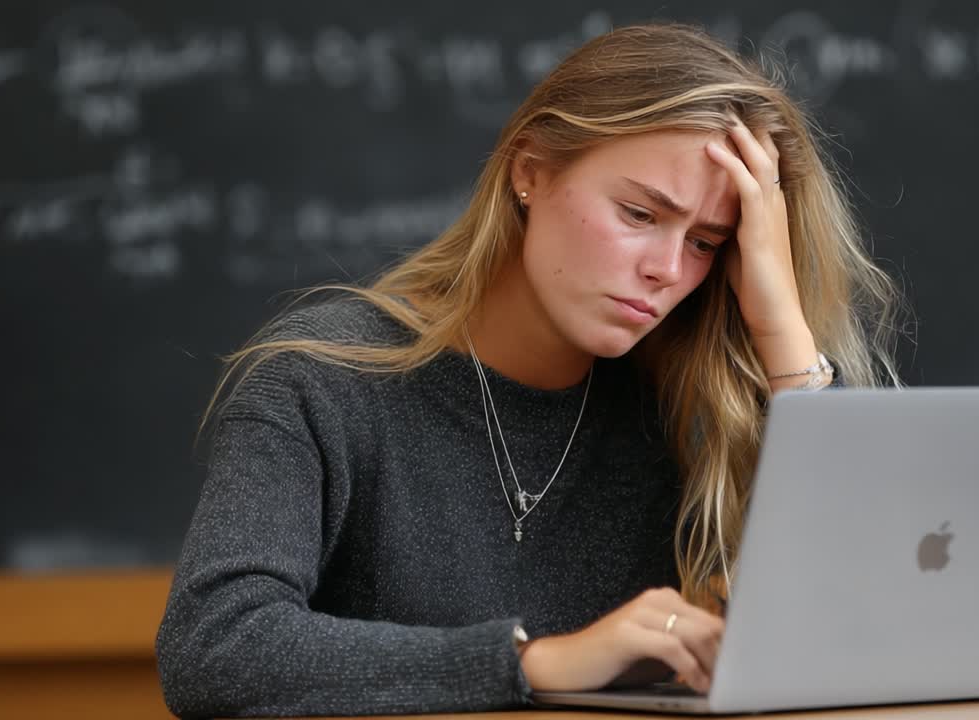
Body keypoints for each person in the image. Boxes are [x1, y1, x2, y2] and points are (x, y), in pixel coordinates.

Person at [155, 21, 903, 719]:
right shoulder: (321, 380)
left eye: (707, 243)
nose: (668, 270)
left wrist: (780, 325)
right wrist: (533, 661)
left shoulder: (681, 400)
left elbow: (879, 621)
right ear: (531, 172)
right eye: (640, 215)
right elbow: (213, 646)